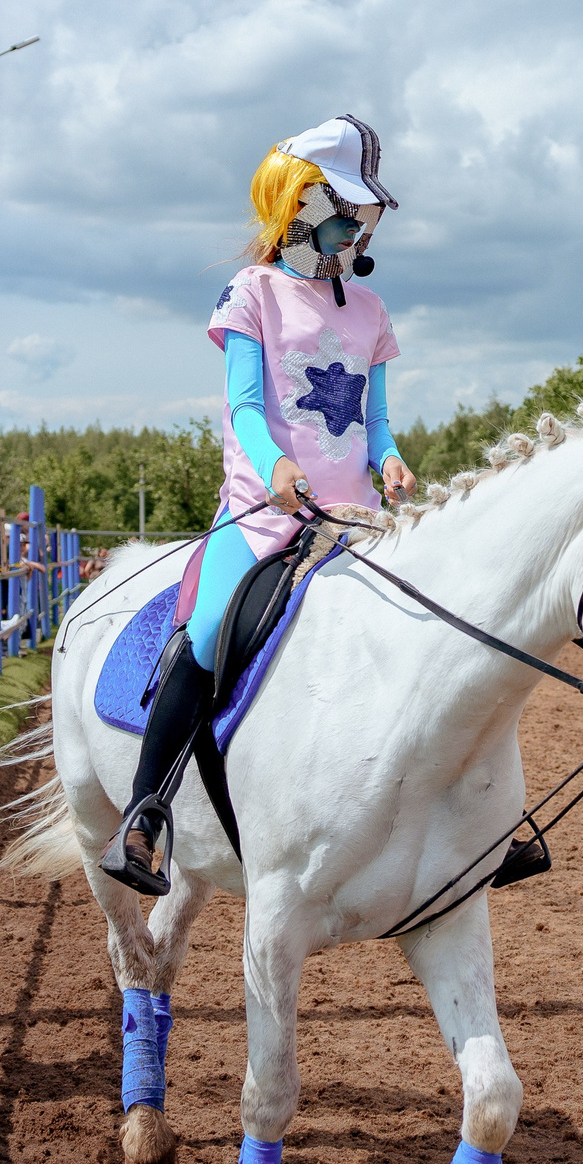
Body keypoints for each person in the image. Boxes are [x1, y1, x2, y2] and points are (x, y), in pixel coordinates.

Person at [105, 115, 415, 895]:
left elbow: (374, 422)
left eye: (361, 217)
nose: (355, 230)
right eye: (344, 212)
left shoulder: (372, 314)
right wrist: (275, 465)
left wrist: (393, 459)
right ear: (299, 206)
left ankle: (449, 814)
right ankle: (146, 815)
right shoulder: (252, 294)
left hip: (352, 523)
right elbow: (245, 406)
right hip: (263, 515)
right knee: (205, 630)